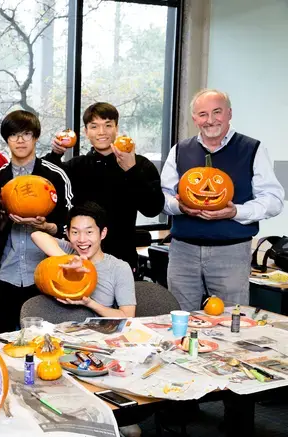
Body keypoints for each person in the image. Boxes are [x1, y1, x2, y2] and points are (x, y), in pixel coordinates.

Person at [160, 89, 284, 311]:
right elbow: (163, 196)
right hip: (183, 252)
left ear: (229, 113)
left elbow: (274, 200)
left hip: (231, 252)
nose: (210, 120)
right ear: (195, 119)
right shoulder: (180, 150)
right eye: (203, 114)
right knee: (180, 316)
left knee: (230, 319)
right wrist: (179, 206)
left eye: (217, 112)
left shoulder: (252, 149)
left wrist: (235, 211)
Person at [45, 102, 164, 272]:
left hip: (123, 258)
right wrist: (55, 155)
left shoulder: (140, 164)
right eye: (94, 126)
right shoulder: (75, 166)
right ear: (86, 132)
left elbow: (153, 208)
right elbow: (45, 186)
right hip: (80, 257)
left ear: (116, 128)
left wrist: (132, 170)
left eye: (108, 125)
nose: (101, 132)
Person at [0, 110, 73, 334]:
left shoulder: (55, 175)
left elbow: (71, 222)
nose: (20, 140)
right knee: (1, 339)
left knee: (44, 341)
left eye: (26, 134)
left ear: (36, 137)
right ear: (6, 139)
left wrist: (47, 227)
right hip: (5, 273)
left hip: (45, 274)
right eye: (13, 135)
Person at [31, 202, 136, 318]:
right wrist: (68, 260)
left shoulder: (119, 268)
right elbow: (37, 235)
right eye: (75, 232)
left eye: (89, 232)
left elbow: (127, 316)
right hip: (62, 330)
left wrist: (90, 303)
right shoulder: (69, 251)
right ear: (68, 234)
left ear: (103, 233)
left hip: (99, 333)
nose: (82, 239)